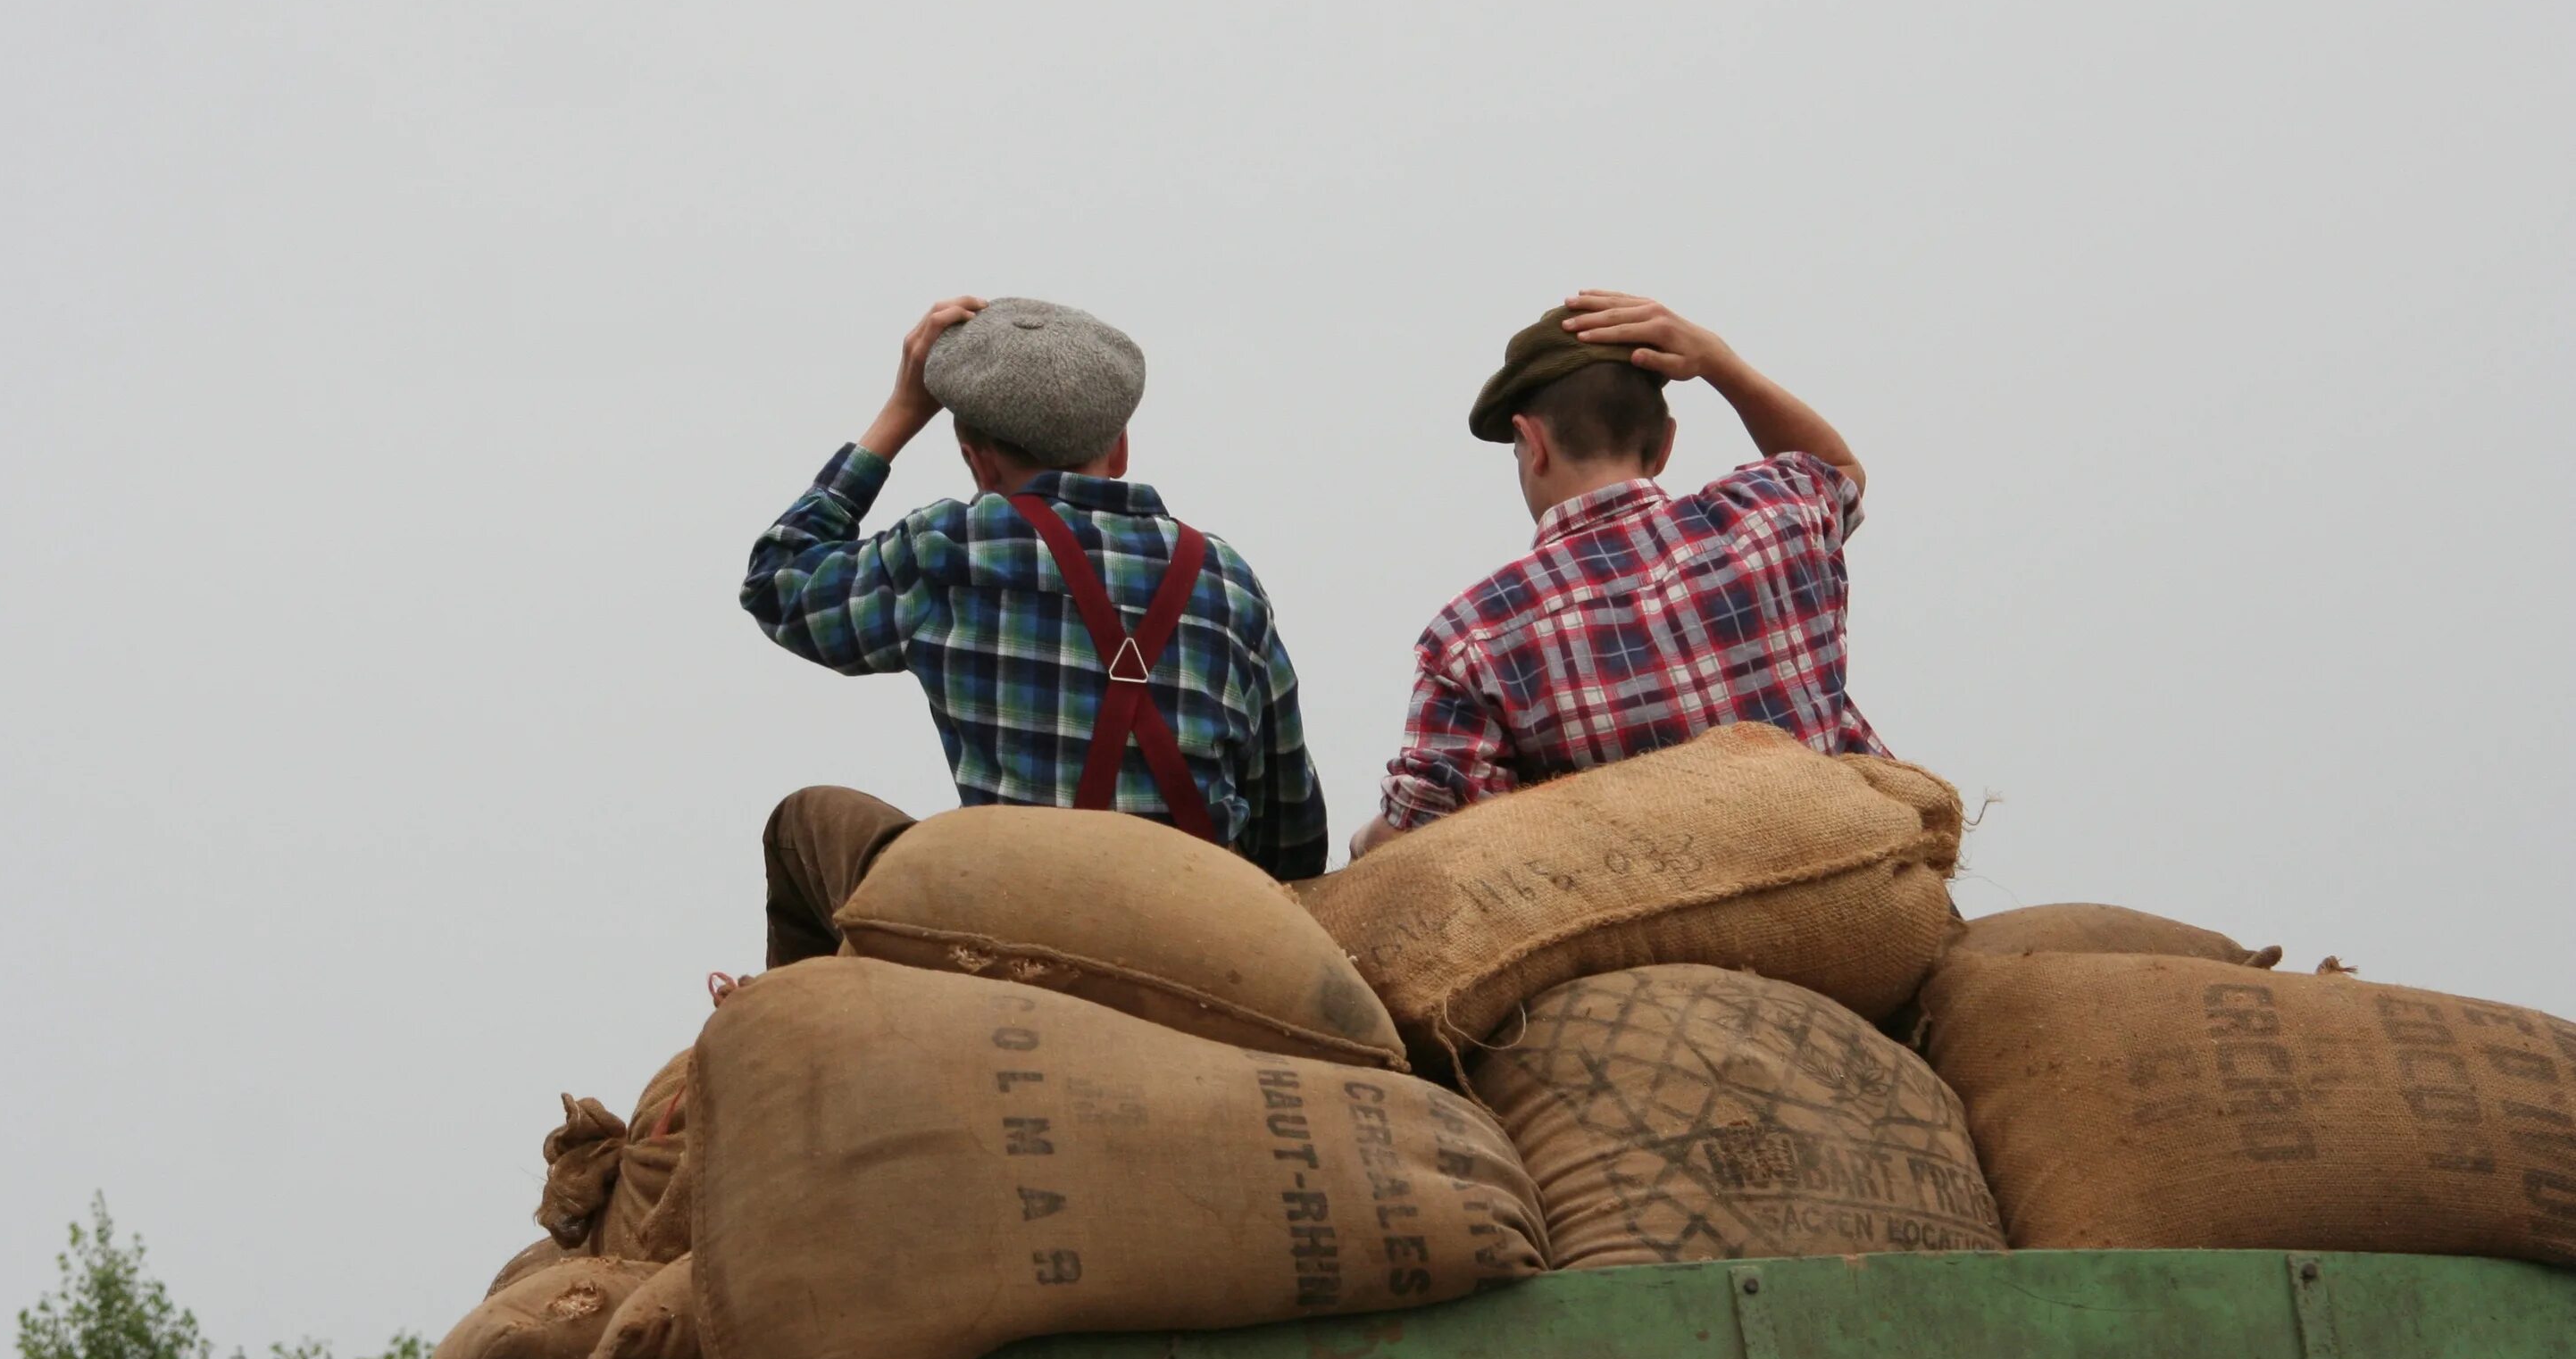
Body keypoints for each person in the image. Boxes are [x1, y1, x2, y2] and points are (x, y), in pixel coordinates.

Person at [742, 295, 1328, 966]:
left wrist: (902, 412)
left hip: (1015, 927)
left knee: (806, 822)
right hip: (1195, 934)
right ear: (1122, 445)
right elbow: (1293, 835)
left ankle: (809, 1024)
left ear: (978, 463)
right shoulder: (1225, 577)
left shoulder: (951, 547)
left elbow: (778, 581)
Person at [1352, 288, 1883, 856]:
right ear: (1665, 446)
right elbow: (1840, 468)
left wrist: (1362, 844)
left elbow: (1427, 827)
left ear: (1534, 445)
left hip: (1655, 923)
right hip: (1840, 865)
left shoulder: (1472, 636)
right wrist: (1719, 364)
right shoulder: (1772, 513)